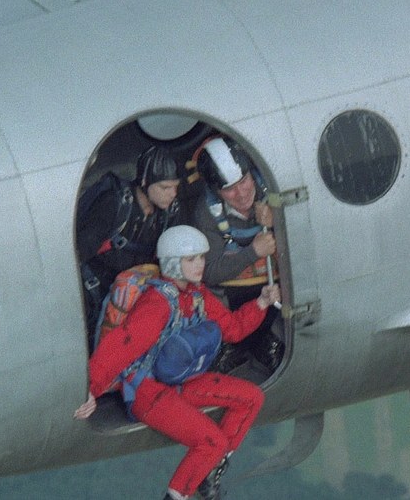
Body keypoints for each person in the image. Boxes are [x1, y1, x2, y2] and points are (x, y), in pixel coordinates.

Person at [74, 225, 280, 500]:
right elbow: (123, 345)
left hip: (180, 380)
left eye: (201, 257)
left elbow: (232, 329)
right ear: (172, 263)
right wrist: (92, 389)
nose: (200, 265)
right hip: (147, 390)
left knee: (251, 398)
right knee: (211, 441)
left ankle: (208, 472)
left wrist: (261, 303)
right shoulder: (157, 303)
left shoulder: (197, 296)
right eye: (191, 259)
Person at [191, 137, 282, 373]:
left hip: (276, 286)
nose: (241, 194)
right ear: (216, 191)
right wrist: (253, 252)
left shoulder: (272, 187)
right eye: (229, 189)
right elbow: (209, 273)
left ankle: (270, 338)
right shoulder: (207, 213)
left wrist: (279, 221)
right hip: (234, 295)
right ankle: (235, 345)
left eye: (244, 181)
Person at [77, 146, 183, 346]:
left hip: (133, 292)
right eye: (165, 188)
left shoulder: (168, 213)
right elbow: (79, 252)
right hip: (95, 289)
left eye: (175, 187)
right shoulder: (114, 205)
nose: (172, 194)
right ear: (144, 182)